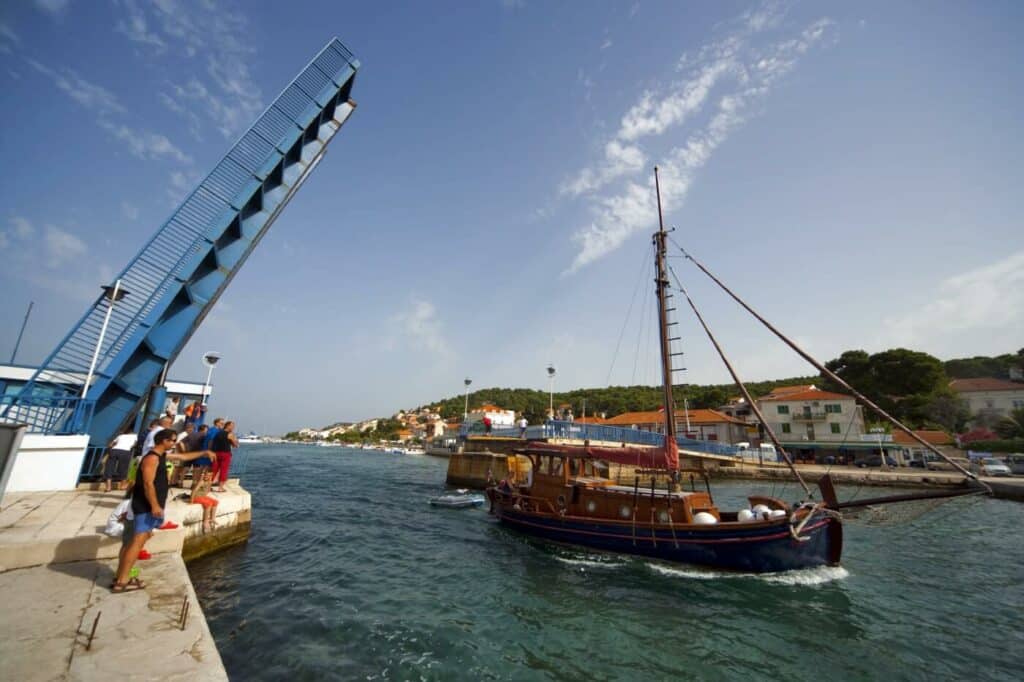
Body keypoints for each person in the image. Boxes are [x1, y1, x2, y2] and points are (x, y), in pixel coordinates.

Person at [112, 429, 213, 593]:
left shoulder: (161, 456)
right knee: (136, 543)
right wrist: (154, 505)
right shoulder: (152, 458)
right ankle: (122, 581)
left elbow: (182, 457)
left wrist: (204, 452)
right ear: (162, 441)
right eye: (172, 440)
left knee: (134, 542)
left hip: (146, 505)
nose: (174, 443)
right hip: (145, 506)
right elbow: (147, 484)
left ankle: (120, 577)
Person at [103, 427, 137, 492]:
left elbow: (110, 445)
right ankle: (122, 486)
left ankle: (108, 487)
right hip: (125, 452)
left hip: (114, 451)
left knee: (109, 468)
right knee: (123, 468)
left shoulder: (120, 436)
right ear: (131, 432)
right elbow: (135, 444)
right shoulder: (135, 436)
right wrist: (130, 446)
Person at [211, 420, 238, 493]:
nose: (233, 428)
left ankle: (208, 486)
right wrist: (235, 439)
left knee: (214, 469)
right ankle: (220, 488)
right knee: (224, 470)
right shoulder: (230, 434)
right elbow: (235, 445)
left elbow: (212, 443)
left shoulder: (218, 433)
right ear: (228, 426)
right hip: (225, 454)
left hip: (216, 453)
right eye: (232, 426)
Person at [190, 469, 220, 533]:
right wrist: (191, 501)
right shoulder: (201, 482)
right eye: (205, 475)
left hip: (202, 496)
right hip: (196, 497)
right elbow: (194, 491)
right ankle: (205, 522)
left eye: (209, 476)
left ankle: (212, 519)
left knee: (215, 502)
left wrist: (209, 483)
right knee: (208, 504)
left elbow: (207, 491)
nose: (206, 476)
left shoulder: (209, 482)